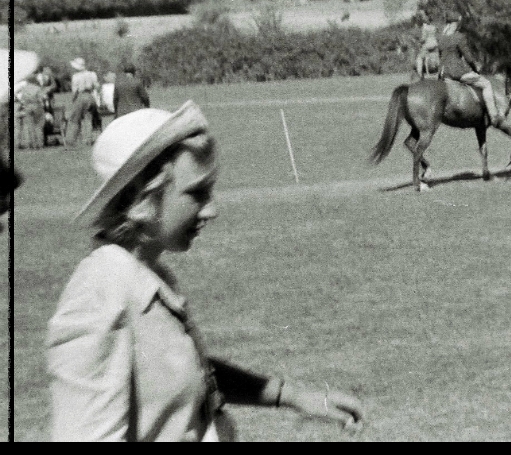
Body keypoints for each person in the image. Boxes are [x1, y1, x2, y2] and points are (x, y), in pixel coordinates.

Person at [47, 102, 365, 441]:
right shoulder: (98, 298)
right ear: (142, 197)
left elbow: (187, 371)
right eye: (197, 192)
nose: (211, 209)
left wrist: (292, 396)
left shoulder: (145, 275)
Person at [436, 12, 506, 127]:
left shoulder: (441, 38)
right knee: (486, 84)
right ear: (456, 23)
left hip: (443, 73)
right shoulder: (459, 37)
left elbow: (441, 56)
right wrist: (475, 68)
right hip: (456, 72)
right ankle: (493, 116)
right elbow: (468, 57)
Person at [2, 50, 39, 217]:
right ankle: (29, 143)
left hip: (19, 107)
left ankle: (18, 143)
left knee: (18, 128)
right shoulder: (25, 86)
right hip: (23, 107)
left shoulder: (19, 87)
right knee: (26, 128)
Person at [67, 57, 100, 147]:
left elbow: (75, 91)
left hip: (81, 96)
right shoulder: (92, 74)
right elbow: (97, 86)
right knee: (88, 118)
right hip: (90, 96)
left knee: (76, 119)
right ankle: (88, 139)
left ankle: (73, 139)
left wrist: (73, 101)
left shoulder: (76, 76)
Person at [15, 75, 46, 150]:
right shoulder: (37, 88)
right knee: (38, 126)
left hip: (27, 107)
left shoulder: (24, 89)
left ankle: (32, 144)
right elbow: (41, 98)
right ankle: (40, 144)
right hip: (36, 106)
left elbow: (22, 99)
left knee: (30, 126)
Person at [414, 11, 440, 80]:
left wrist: (418, 42)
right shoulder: (434, 27)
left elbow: (423, 39)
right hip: (435, 45)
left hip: (428, 46)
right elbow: (437, 36)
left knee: (419, 58)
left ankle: (420, 75)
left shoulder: (425, 27)